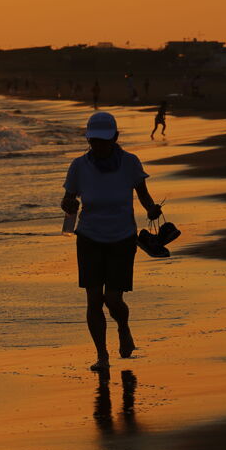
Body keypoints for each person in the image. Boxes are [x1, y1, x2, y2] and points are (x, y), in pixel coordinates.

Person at [60, 111, 162, 371]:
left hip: (122, 238)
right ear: (88, 139)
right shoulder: (79, 166)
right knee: (94, 299)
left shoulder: (130, 163)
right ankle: (102, 355)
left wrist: (152, 209)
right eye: (94, 141)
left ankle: (124, 327)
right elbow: (68, 200)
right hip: (89, 238)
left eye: (104, 140)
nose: (99, 145)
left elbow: (144, 196)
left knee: (113, 299)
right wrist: (69, 203)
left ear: (115, 138)